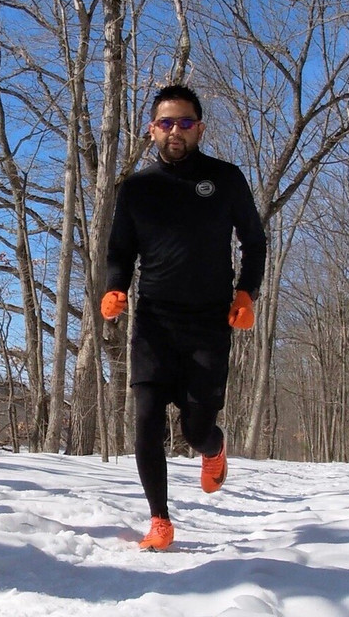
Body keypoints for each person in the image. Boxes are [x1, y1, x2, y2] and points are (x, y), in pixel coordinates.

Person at [101, 84, 267, 551]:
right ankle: (160, 520)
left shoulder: (226, 179)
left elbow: (254, 243)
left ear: (200, 129)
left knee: (195, 429)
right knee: (147, 420)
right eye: (167, 123)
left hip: (209, 323)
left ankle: (213, 450)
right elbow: (120, 250)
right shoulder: (136, 188)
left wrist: (245, 294)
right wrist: (115, 287)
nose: (176, 131)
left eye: (186, 123)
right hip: (154, 321)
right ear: (152, 129)